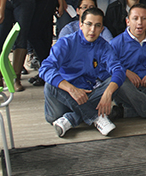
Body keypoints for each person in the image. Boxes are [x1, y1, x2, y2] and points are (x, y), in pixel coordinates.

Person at [40, 8, 122, 137]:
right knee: (50, 84)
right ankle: (96, 117)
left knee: (114, 83)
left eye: (97, 26)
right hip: (62, 99)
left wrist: (108, 92)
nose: (92, 30)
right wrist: (71, 89)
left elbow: (118, 70)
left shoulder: (104, 46)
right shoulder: (66, 43)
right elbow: (45, 68)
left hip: (87, 94)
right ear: (80, 25)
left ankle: (71, 118)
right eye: (89, 24)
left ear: (102, 29)